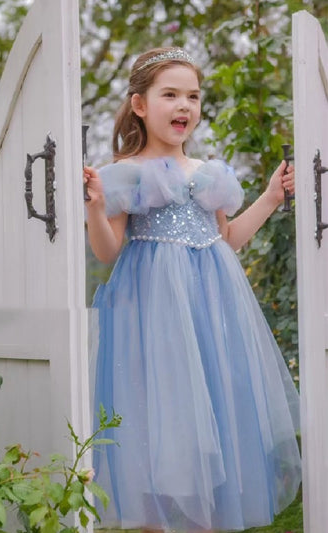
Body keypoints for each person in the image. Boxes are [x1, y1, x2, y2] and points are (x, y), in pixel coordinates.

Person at [84, 47, 301, 533]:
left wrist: (270, 197)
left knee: (213, 426)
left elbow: (227, 239)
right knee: (159, 427)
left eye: (193, 96)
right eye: (170, 95)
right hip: (154, 318)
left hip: (211, 313)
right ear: (140, 105)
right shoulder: (125, 173)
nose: (184, 106)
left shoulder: (211, 175)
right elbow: (107, 251)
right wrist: (96, 208)